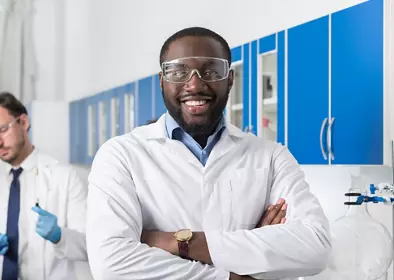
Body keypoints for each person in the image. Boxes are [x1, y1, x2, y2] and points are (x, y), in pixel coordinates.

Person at [86, 27, 331, 280]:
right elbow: (111, 264)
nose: (194, 83)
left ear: (230, 79)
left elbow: (315, 246)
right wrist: (239, 273)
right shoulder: (121, 155)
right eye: (178, 71)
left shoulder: (271, 156)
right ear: (162, 81)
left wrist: (181, 243)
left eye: (211, 70)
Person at [0, 92, 88, 280]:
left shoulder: (64, 177)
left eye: (2, 130)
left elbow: (90, 244)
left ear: (23, 122)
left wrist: (60, 236)